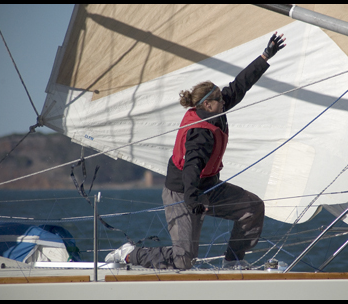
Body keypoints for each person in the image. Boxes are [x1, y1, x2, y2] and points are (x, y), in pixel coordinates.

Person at [105, 32, 286, 269]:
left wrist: (265, 56)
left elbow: (239, 86)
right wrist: (192, 202)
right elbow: (191, 167)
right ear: (207, 105)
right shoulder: (201, 132)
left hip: (208, 186)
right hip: (183, 193)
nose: (225, 100)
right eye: (221, 99)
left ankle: (233, 261)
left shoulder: (215, 109)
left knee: (252, 207)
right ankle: (130, 254)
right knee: (184, 260)